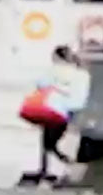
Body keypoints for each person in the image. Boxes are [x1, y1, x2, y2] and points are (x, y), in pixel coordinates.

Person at [37, 45, 90, 179]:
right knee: (65, 141)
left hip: (54, 110)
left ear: (57, 57)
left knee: (47, 143)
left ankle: (49, 169)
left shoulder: (53, 71)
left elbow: (41, 85)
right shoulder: (81, 73)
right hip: (73, 111)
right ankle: (69, 170)